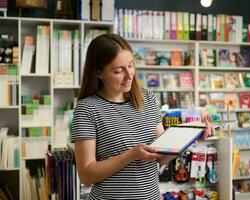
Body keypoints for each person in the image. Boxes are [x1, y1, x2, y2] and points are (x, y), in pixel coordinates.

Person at [70, 34, 214, 200]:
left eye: (131, 66)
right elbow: (87, 176)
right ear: (99, 73)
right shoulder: (87, 108)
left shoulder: (148, 98)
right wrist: (132, 154)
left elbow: (161, 157)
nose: (129, 74)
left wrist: (192, 137)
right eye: (118, 71)